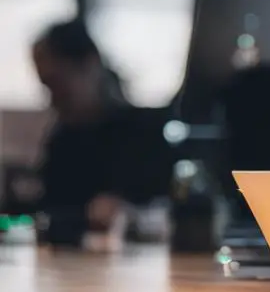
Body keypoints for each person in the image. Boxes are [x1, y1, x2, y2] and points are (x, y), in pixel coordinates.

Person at [30, 18, 174, 243]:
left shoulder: (145, 132)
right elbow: (46, 213)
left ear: (89, 64)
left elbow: (173, 206)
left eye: (58, 83)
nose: (53, 99)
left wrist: (129, 214)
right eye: (46, 87)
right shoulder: (62, 142)